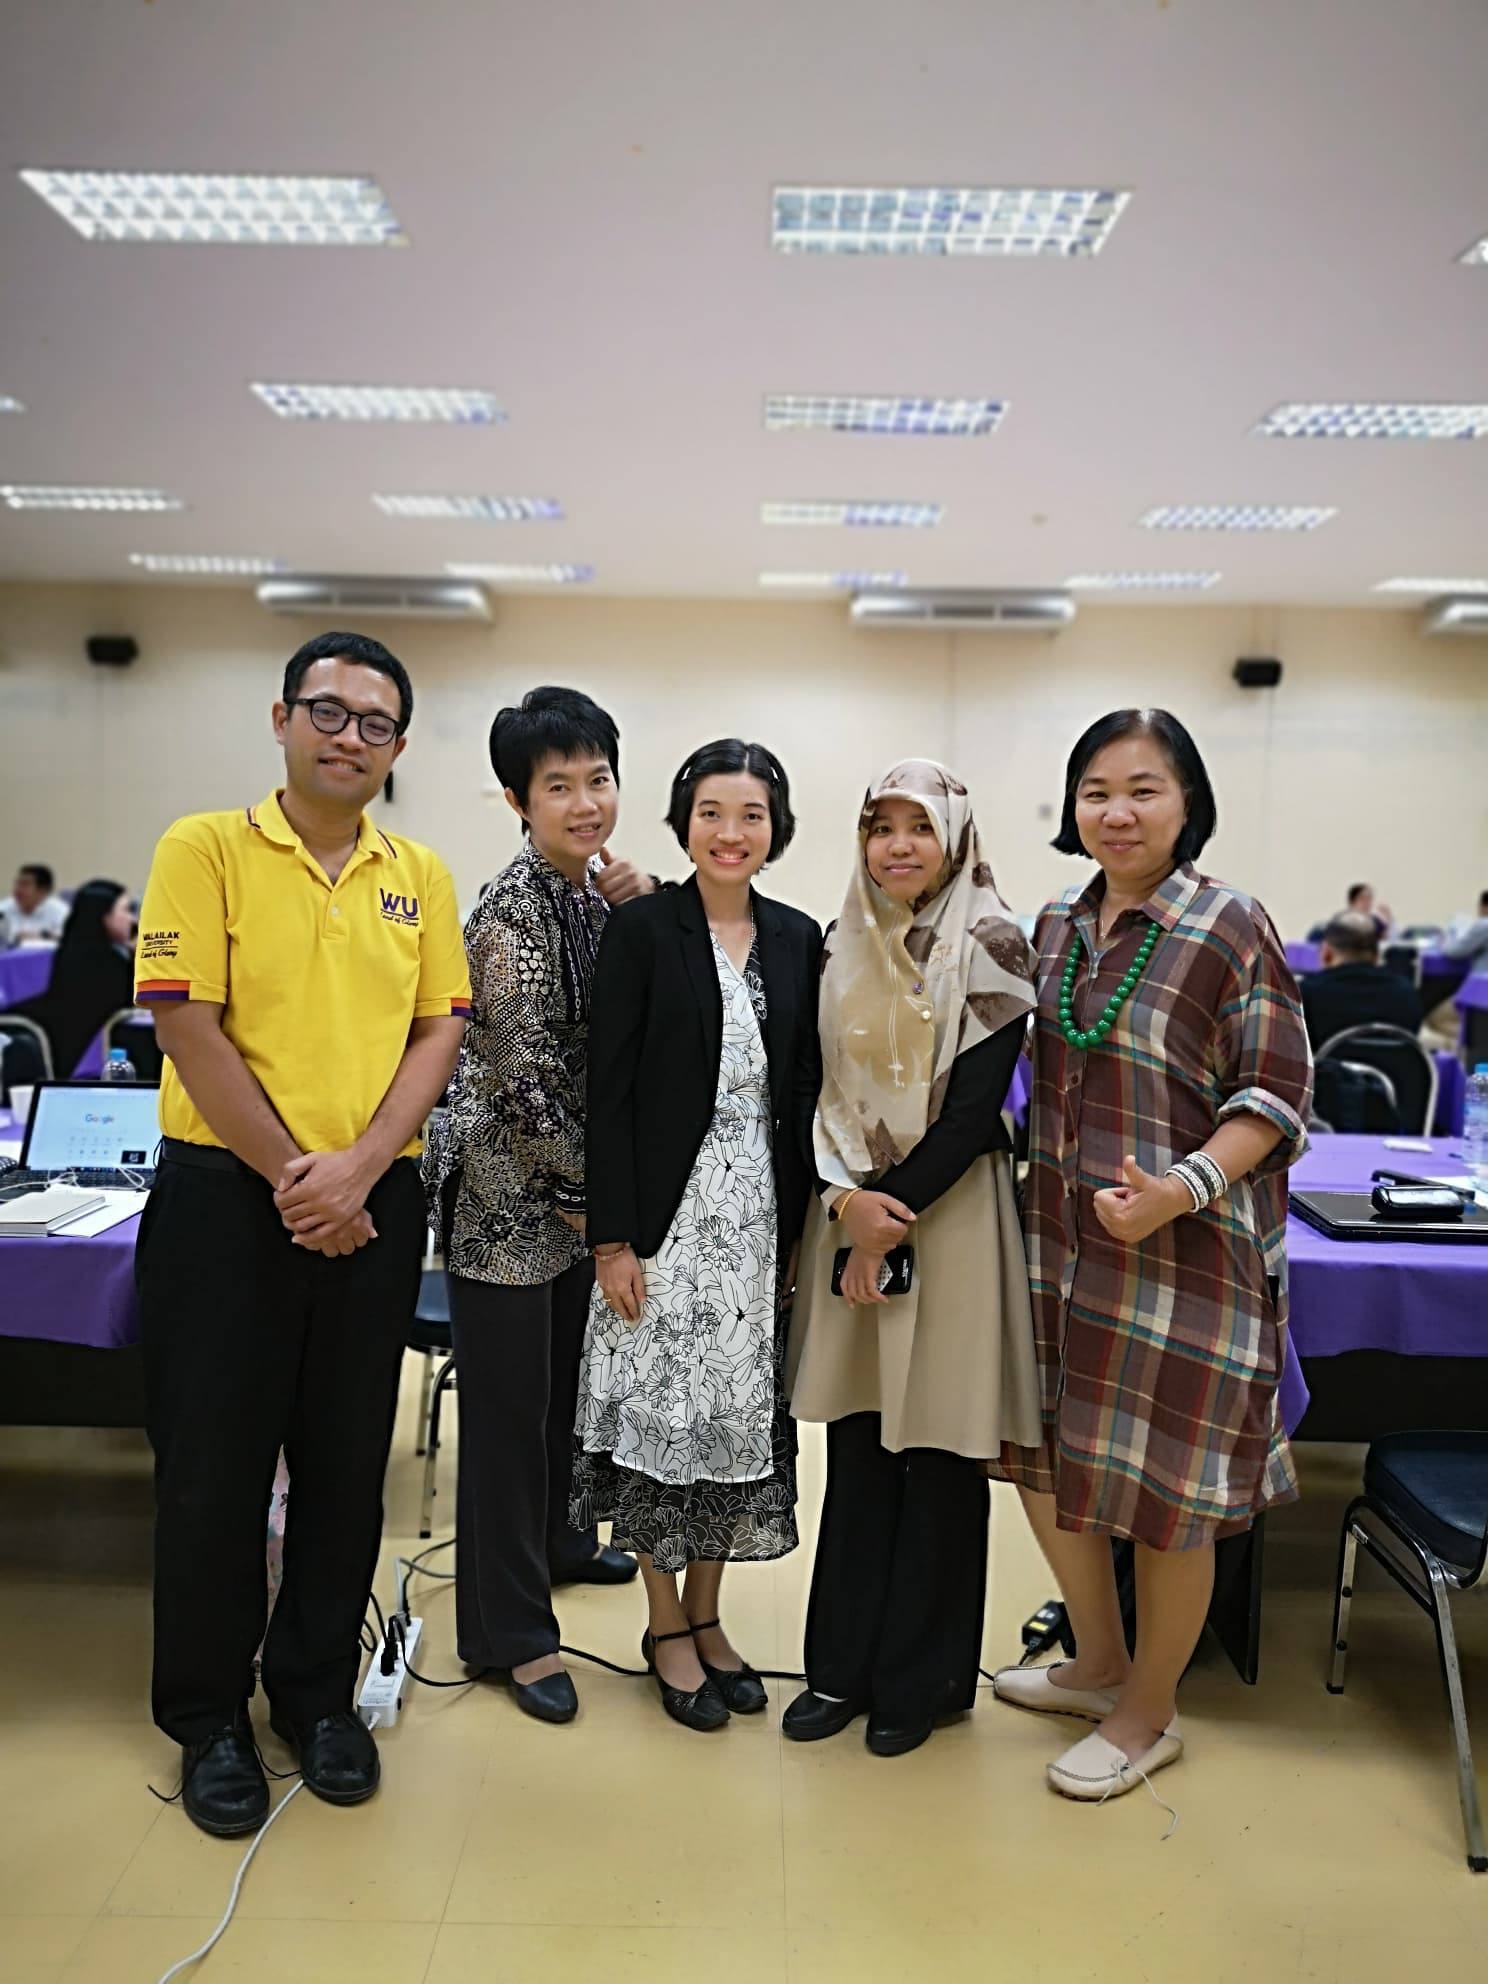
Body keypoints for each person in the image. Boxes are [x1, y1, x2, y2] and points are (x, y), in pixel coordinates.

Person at [132, 630, 470, 1838]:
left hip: (374, 1202)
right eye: (327, 711)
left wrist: (361, 1170)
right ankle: (208, 1717)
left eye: (375, 723)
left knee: (342, 1467)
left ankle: (317, 1696)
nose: (349, 737)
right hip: (228, 1202)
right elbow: (186, 1024)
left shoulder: (417, 872)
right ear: (281, 719)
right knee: (213, 1474)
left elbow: (440, 1029)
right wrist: (297, 1179)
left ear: (398, 747)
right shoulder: (205, 847)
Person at [989, 708, 1312, 1809]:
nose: (1117, 812)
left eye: (1143, 789)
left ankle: (1150, 1710)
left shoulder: (1231, 925)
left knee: (1168, 1492)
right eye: (1096, 792)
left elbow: (1274, 1097)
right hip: (1059, 1254)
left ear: (1188, 803)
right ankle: (1096, 1660)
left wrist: (1180, 1189)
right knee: (1047, 1463)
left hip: (1187, 1258)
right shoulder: (1053, 924)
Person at [783, 760, 1040, 1758]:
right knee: (857, 1446)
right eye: (879, 826)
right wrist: (847, 1204)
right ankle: (838, 1671)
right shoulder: (841, 940)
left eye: (918, 827)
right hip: (849, 1209)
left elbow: (976, 1112)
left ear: (954, 838)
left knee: (937, 1451)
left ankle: (921, 1683)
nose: (897, 845)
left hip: (951, 1216)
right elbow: (813, 1089)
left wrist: (887, 1216)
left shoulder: (993, 941)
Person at [573, 740, 822, 1731]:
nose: (731, 832)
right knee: (661, 1424)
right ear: (684, 823)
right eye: (712, 811)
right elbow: (609, 1092)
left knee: (730, 1425)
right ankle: (663, 1622)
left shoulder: (799, 937)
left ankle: (709, 1616)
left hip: (757, 1224)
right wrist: (611, 1241)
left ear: (775, 828)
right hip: (662, 1227)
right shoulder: (642, 930)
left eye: (751, 813)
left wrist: (801, 1227)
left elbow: (804, 1090)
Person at [422, 686, 654, 1728]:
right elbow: (523, 1080)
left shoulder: (594, 892)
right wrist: (590, 1204)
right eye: (559, 785)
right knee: (510, 1424)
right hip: (508, 1204)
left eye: (598, 779)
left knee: (563, 1395)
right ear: (519, 800)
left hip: (571, 1204)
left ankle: (560, 1544)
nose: (585, 801)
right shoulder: (513, 913)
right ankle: (507, 1634)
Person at [13, 879, 136, 1075]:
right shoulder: (111, 966)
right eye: (126, 910)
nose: (132, 919)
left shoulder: (68, 952)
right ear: (104, 916)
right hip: (84, 1068)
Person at [1300, 910, 1422, 1051]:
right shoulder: (1407, 993)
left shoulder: (1307, 994)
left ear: (1326, 953)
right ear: (1377, 956)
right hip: (1394, 1066)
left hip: (1331, 1065)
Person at [0, 863, 67, 948]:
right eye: (17, 884)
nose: (18, 889)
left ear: (43, 890)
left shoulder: (60, 911)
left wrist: (42, 937)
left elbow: (67, 941)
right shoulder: (4, 907)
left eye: (25, 885)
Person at [1442, 890, 1488, 970]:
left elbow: (1457, 951)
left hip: (1482, 975)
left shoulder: (1484, 925)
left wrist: (1444, 944)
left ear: (1485, 907)